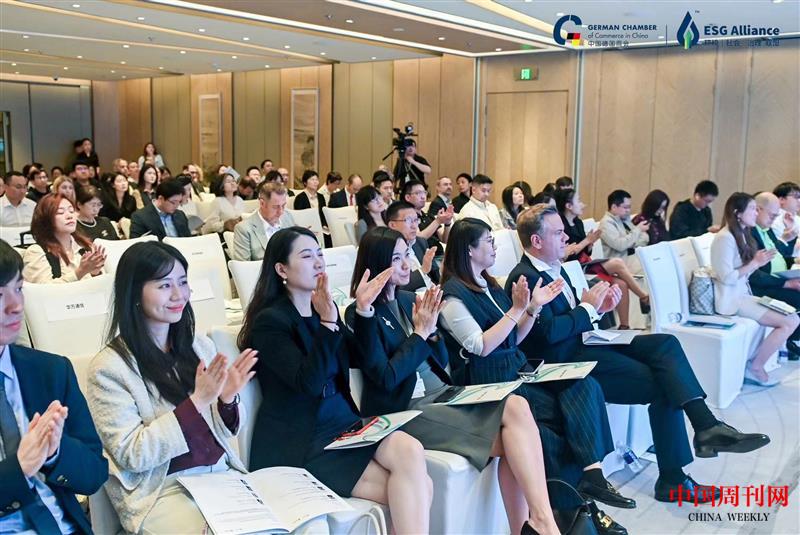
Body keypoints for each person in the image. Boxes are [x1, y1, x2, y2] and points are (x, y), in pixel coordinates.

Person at [509, 205, 771, 502]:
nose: (566, 237)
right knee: (667, 384)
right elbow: (546, 335)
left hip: (586, 344)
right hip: (565, 362)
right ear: (537, 241)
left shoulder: (554, 267)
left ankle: (705, 425)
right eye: (558, 233)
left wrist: (599, 310)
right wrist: (587, 308)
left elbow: (574, 320)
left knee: (665, 344)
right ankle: (678, 472)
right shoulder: (525, 278)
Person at [345, 228, 563, 535]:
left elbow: (438, 357)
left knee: (517, 408)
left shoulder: (409, 299)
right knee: (515, 443)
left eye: (407, 254)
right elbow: (386, 377)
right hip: (404, 409)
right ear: (376, 263)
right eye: (395, 258)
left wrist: (432, 331)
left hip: (441, 394)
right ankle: (542, 526)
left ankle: (539, 522)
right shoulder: (361, 314)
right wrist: (420, 333)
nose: (407, 264)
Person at [438, 218, 630, 534]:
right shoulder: (452, 296)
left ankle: (591, 477)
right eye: (487, 241)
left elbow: (515, 337)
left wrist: (531, 309)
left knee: (584, 385)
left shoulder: (489, 284)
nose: (494, 246)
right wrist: (517, 310)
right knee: (550, 430)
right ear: (469, 249)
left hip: (514, 371)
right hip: (487, 383)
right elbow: (481, 346)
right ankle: (575, 511)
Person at [238, 227, 433, 533]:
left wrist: (364, 311)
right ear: (282, 269)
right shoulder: (271, 322)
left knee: (409, 451)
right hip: (303, 440)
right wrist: (328, 323)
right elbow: (309, 383)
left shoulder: (323, 310)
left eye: (320, 254)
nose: (319, 262)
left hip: (343, 424)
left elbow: (360, 358)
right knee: (418, 489)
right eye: (307, 256)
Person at [86, 241, 258, 534]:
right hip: (163, 491)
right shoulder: (109, 369)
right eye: (165, 285)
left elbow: (225, 432)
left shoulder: (199, 346)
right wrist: (198, 401)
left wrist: (227, 399)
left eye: (183, 282)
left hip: (221, 474)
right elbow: (132, 454)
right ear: (134, 292)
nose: (179, 295)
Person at [0, 238, 108, 534]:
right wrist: (18, 470)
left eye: (19, 289)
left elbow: (95, 474)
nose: (16, 306)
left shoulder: (49, 370)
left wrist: (55, 452)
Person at [711, 193, 798, 386]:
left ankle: (754, 364)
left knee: (792, 318)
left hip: (744, 295)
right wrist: (755, 263)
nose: (755, 212)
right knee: (789, 322)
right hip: (731, 300)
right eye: (752, 209)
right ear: (738, 213)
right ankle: (755, 367)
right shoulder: (725, 238)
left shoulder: (741, 235)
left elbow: (745, 274)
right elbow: (727, 277)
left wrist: (758, 263)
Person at [555, 189, 650, 328]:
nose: (583, 204)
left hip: (585, 263)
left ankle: (624, 326)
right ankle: (644, 296)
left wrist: (590, 244)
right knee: (617, 262)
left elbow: (585, 251)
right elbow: (565, 254)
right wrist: (587, 241)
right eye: (578, 201)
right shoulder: (561, 226)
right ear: (568, 206)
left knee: (621, 284)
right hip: (573, 268)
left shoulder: (578, 223)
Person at [749, 192, 800, 359]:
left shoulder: (766, 230)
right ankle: (789, 341)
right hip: (762, 287)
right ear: (758, 210)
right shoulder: (750, 233)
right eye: (772, 215)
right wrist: (787, 284)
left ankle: (790, 339)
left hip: (777, 279)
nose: (774, 219)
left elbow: (780, 254)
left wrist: (789, 235)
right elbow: (753, 274)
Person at [23, 194, 106, 283]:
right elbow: (44, 289)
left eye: (71, 211)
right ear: (45, 219)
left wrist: (95, 273)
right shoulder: (37, 252)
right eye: (60, 212)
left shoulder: (86, 247)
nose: (69, 216)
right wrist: (80, 272)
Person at [232, 182, 295, 261]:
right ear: (262, 203)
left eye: (283, 205)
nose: (281, 212)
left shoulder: (287, 217)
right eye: (276, 207)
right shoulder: (244, 229)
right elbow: (243, 266)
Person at [387, 201, 438, 291]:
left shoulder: (420, 242)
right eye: (408, 220)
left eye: (416, 220)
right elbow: (393, 288)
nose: (414, 226)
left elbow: (435, 276)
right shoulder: (387, 249)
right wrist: (422, 271)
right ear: (392, 225)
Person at [598, 190, 649, 272]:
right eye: (625, 207)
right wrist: (638, 230)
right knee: (649, 266)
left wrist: (630, 242)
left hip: (631, 259)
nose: (628, 210)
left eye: (629, 207)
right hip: (619, 264)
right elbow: (620, 245)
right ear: (614, 207)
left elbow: (645, 238)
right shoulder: (606, 224)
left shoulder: (624, 219)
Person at [402, 180, 454, 254]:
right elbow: (418, 238)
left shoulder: (428, 216)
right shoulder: (406, 216)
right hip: (425, 256)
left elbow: (444, 240)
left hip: (440, 254)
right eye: (418, 193)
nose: (423, 197)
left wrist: (447, 223)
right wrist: (438, 221)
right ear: (408, 197)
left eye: (424, 192)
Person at [292, 170, 329, 245]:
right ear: (305, 182)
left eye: (317, 179)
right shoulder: (300, 198)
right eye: (312, 179)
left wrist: (324, 225)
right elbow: (299, 217)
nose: (315, 182)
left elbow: (323, 215)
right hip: (307, 228)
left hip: (321, 228)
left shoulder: (321, 197)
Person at [771, 181, 800, 256]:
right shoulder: (773, 220)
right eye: (796, 197)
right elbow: (779, 247)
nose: (799, 200)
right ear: (781, 200)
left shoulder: (798, 219)